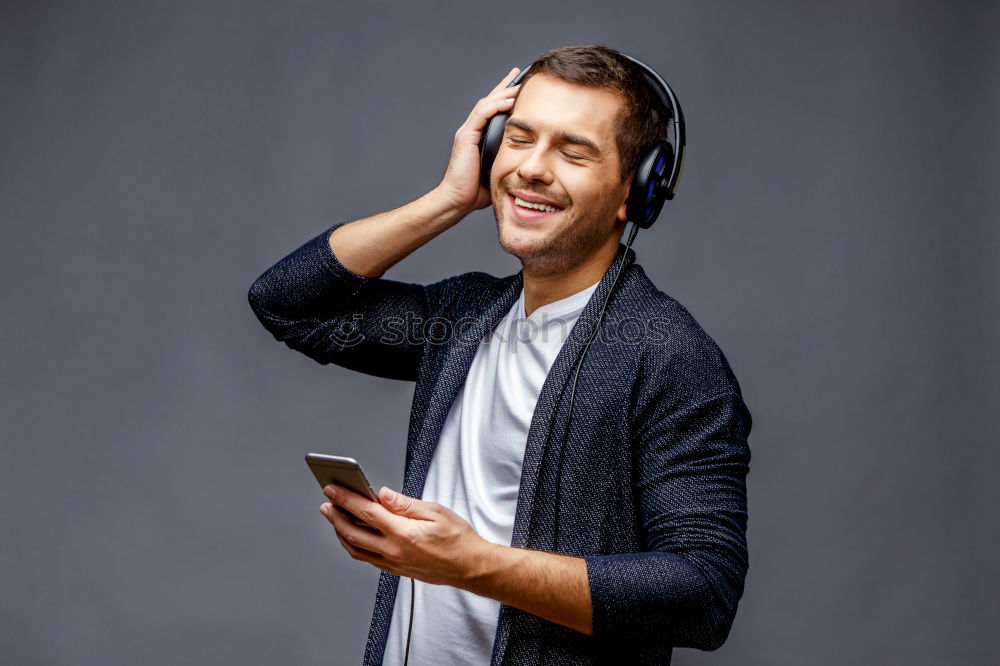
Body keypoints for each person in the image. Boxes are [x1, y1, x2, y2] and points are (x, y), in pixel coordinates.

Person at [248, 44, 752, 665]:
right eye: (517, 139)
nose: (532, 169)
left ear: (636, 191)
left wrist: (473, 566)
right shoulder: (462, 319)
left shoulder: (669, 355)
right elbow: (288, 303)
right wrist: (448, 200)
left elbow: (703, 595)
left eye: (572, 151)